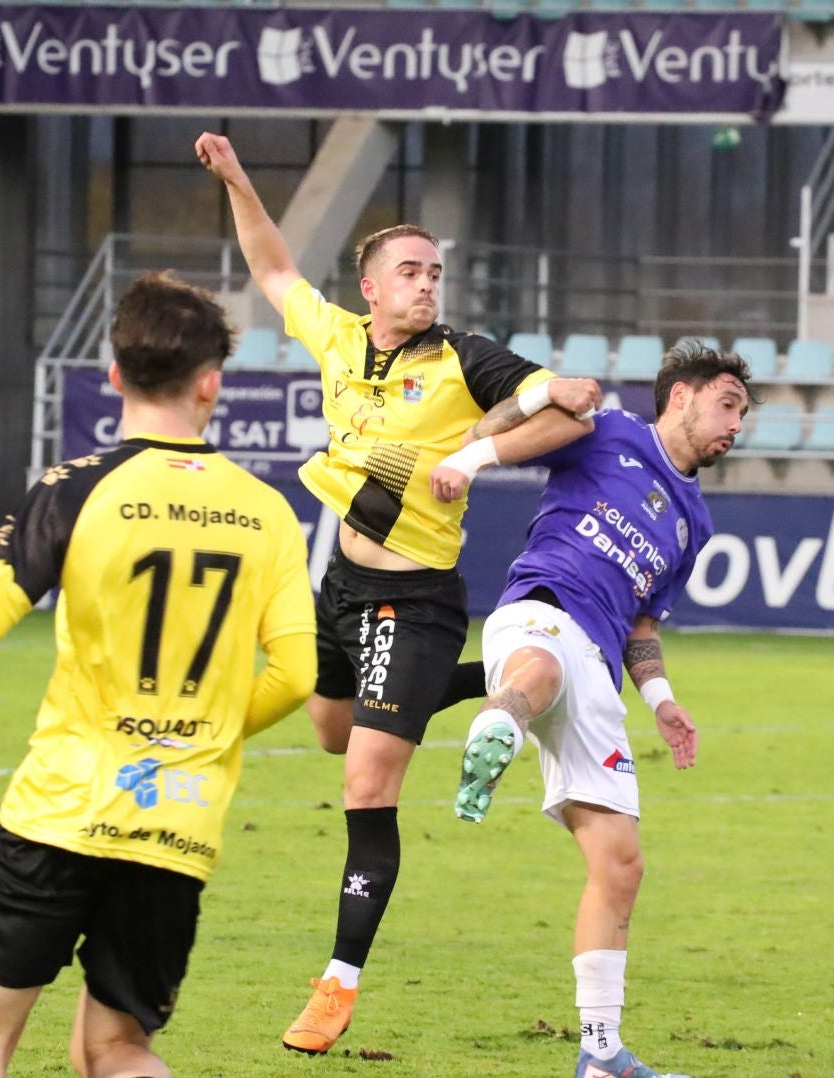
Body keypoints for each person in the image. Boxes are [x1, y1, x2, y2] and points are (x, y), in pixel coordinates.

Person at [192, 131, 605, 1055]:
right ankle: (498, 680)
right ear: (371, 287)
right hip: (337, 587)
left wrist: (477, 450)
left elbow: (570, 404)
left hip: (412, 600)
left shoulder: (464, 357)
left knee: (365, 785)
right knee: (333, 729)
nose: (426, 284)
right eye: (409, 271)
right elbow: (271, 266)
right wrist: (239, 182)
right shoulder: (340, 337)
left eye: (434, 272)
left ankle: (337, 986)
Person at [0, 272, 317, 1078]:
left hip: (61, 810)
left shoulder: (75, 488)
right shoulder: (265, 510)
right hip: (177, 826)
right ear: (211, 383)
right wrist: (201, 732)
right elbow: (296, 675)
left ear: (115, 376)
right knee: (118, 1049)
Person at [433, 339, 753, 1078]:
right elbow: (488, 435)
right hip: (539, 608)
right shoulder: (606, 431)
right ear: (682, 396)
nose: (736, 426)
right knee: (536, 668)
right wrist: (538, 402)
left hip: (602, 666)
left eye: (742, 414)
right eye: (727, 405)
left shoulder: (693, 524)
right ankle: (498, 724)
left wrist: (663, 699)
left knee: (621, 864)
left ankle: (600, 1055)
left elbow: (644, 621)